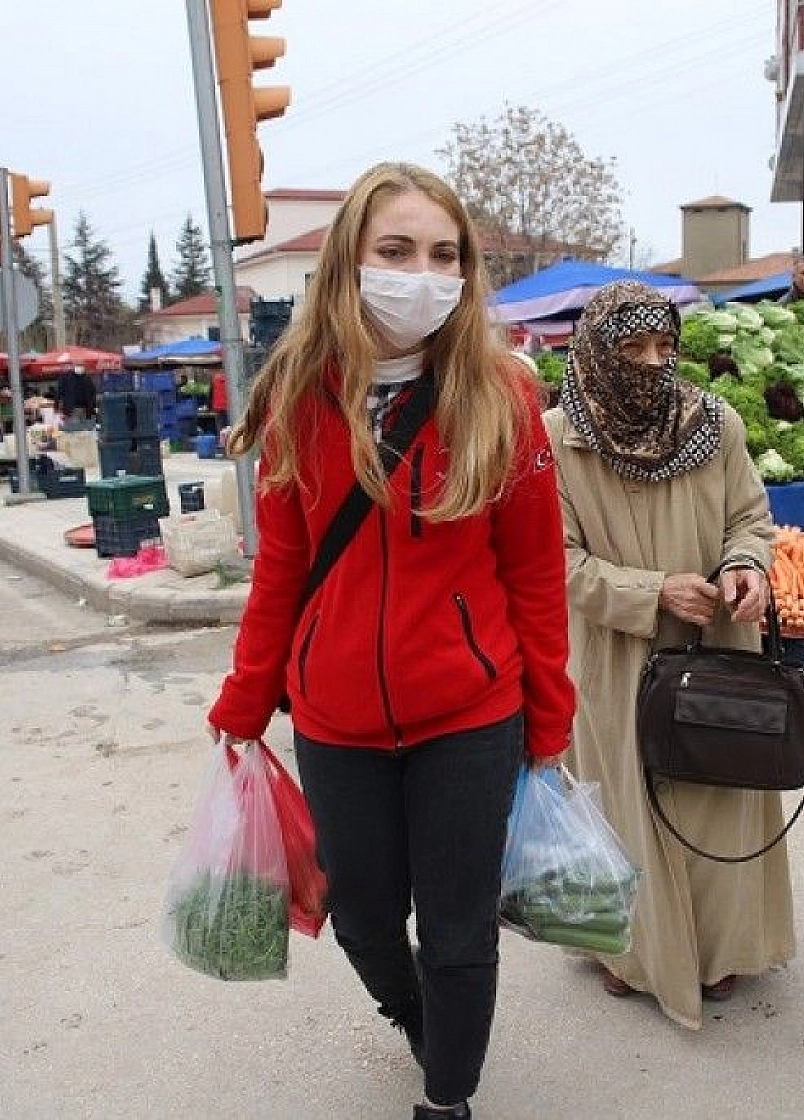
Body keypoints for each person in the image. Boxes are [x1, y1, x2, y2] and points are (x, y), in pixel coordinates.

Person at [204, 162, 574, 1120]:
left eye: (444, 254)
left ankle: (446, 1096)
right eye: (398, 251)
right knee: (364, 920)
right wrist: (246, 702)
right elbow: (282, 569)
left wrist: (550, 715)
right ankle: (422, 1022)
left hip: (469, 714)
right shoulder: (300, 393)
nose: (424, 272)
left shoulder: (503, 395)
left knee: (458, 933)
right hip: (336, 722)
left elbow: (535, 570)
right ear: (351, 263)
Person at [544, 280, 794, 1029]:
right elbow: (552, 558)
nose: (653, 364)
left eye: (664, 347)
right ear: (596, 351)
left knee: (717, 797)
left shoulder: (713, 423)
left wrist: (745, 566)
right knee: (624, 805)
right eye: (633, 348)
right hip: (619, 658)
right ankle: (629, 954)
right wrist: (650, 591)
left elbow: (750, 517)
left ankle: (718, 952)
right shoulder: (559, 438)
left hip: (715, 642)